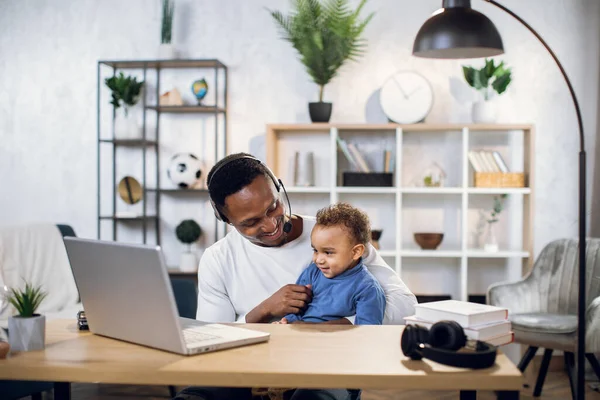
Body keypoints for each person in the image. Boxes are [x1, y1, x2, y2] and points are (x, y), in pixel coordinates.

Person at [173, 153, 417, 400]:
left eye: (273, 207)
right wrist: (264, 310)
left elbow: (406, 304)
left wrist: (331, 327)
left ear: (279, 188)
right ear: (224, 218)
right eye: (251, 222)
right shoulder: (218, 259)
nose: (270, 225)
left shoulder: (335, 236)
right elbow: (211, 345)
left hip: (322, 368)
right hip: (247, 373)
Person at [278, 202, 385, 325]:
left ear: (355, 252)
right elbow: (295, 309)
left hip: (337, 341)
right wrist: (287, 322)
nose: (318, 259)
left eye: (328, 252)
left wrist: (311, 329)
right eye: (316, 250)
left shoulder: (367, 288)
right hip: (301, 337)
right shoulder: (313, 272)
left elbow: (367, 331)